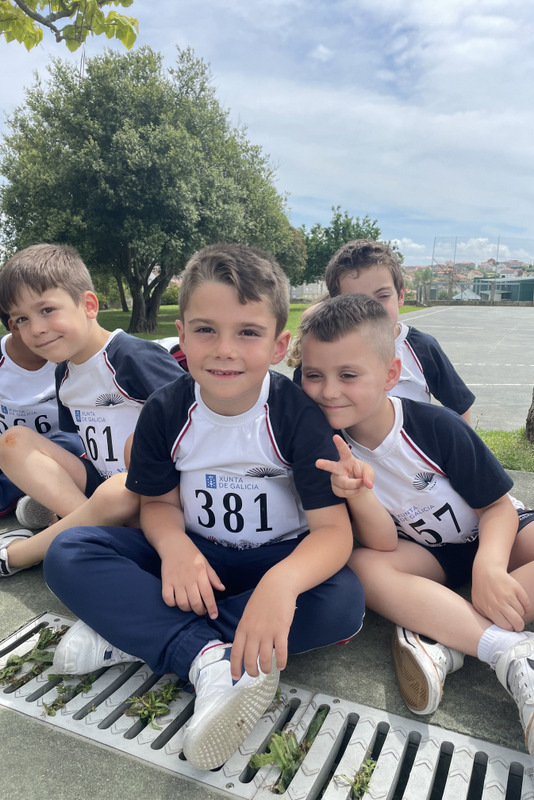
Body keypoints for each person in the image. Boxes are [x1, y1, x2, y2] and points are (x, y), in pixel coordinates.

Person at [43, 243, 365, 771]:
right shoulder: (165, 410)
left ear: (280, 345)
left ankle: (136, 633)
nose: (224, 350)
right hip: (194, 559)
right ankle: (208, 658)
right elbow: (157, 504)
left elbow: (333, 532)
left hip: (275, 558)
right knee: (70, 550)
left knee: (343, 600)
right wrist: (174, 548)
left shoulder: (298, 417)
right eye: (206, 330)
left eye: (248, 332)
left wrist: (281, 584)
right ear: (182, 334)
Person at [299, 293, 534, 762]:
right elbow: (382, 543)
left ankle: (441, 638)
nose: (328, 391)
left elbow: (496, 508)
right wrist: (357, 494)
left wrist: (490, 566)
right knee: (358, 566)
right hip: (428, 553)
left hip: (498, 532)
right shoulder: (325, 449)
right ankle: (515, 650)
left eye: (348, 375)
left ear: (391, 374)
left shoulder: (434, 426)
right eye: (313, 375)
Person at [0, 243, 184, 576]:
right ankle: (88, 526)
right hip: (102, 488)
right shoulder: (63, 372)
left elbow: (195, 419)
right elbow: (86, 446)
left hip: (155, 495)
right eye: (22, 319)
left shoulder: (133, 356)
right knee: (12, 442)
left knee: (119, 490)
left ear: (88, 305)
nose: (36, 329)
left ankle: (20, 554)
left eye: (47, 310)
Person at [291, 239, 474, 423]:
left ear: (400, 296)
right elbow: (299, 415)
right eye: (355, 300)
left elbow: (460, 407)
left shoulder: (423, 347)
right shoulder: (321, 353)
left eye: (383, 296)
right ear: (334, 303)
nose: (372, 308)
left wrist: (460, 440)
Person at [0, 310, 83, 519]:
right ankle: (35, 494)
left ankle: (34, 494)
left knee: (77, 443)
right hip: (6, 456)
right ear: (15, 326)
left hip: (61, 452)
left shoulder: (73, 359)